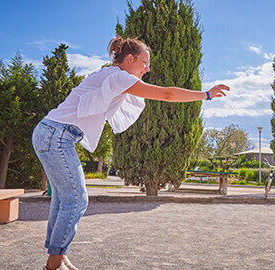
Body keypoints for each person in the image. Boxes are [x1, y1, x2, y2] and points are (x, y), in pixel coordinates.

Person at [33, 36, 229, 270]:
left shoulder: (108, 74)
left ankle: (58, 254)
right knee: (76, 201)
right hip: (56, 135)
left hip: (51, 133)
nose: (147, 68)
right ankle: (53, 263)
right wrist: (205, 94)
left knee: (64, 199)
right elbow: (167, 94)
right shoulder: (118, 76)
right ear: (129, 59)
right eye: (144, 62)